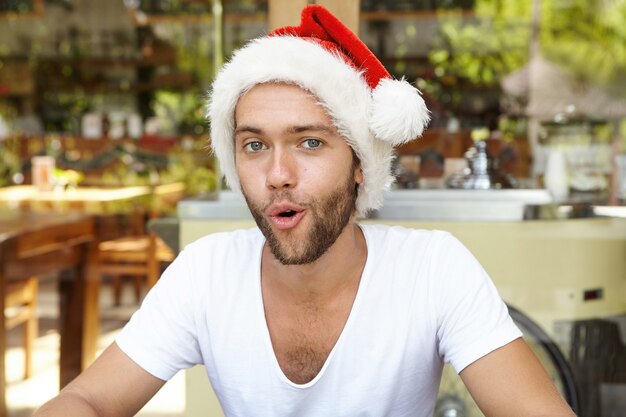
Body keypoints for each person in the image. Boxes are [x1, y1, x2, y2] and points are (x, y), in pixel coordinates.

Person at [35, 5, 576, 417]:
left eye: (310, 143)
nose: (277, 174)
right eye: (254, 146)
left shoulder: (433, 269)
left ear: (360, 163)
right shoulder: (204, 274)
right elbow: (88, 400)